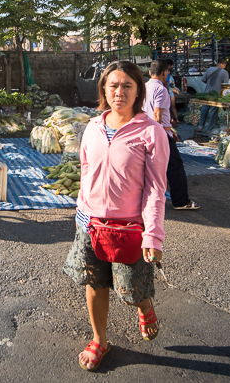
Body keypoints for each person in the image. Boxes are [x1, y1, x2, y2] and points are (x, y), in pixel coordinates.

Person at [63, 60, 170, 372]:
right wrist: (83, 209)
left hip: (129, 227)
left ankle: (145, 307)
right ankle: (100, 340)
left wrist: (153, 234)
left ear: (138, 91)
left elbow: (155, 189)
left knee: (131, 288)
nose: (119, 91)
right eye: (113, 85)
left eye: (127, 85)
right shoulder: (93, 128)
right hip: (91, 223)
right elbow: (86, 172)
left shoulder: (151, 132)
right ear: (103, 89)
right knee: (94, 283)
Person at [144, 59, 199, 210]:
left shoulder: (143, 87)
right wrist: (162, 134)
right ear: (165, 73)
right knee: (175, 167)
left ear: (150, 73)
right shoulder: (161, 90)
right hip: (159, 135)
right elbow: (157, 115)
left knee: (148, 168)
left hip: (145, 133)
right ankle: (181, 201)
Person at [196, 59, 229, 133]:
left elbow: (203, 80)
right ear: (225, 65)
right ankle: (210, 128)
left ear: (217, 63)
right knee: (213, 111)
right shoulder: (224, 72)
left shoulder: (209, 69)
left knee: (204, 110)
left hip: (207, 94)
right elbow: (225, 85)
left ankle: (200, 127)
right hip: (216, 95)